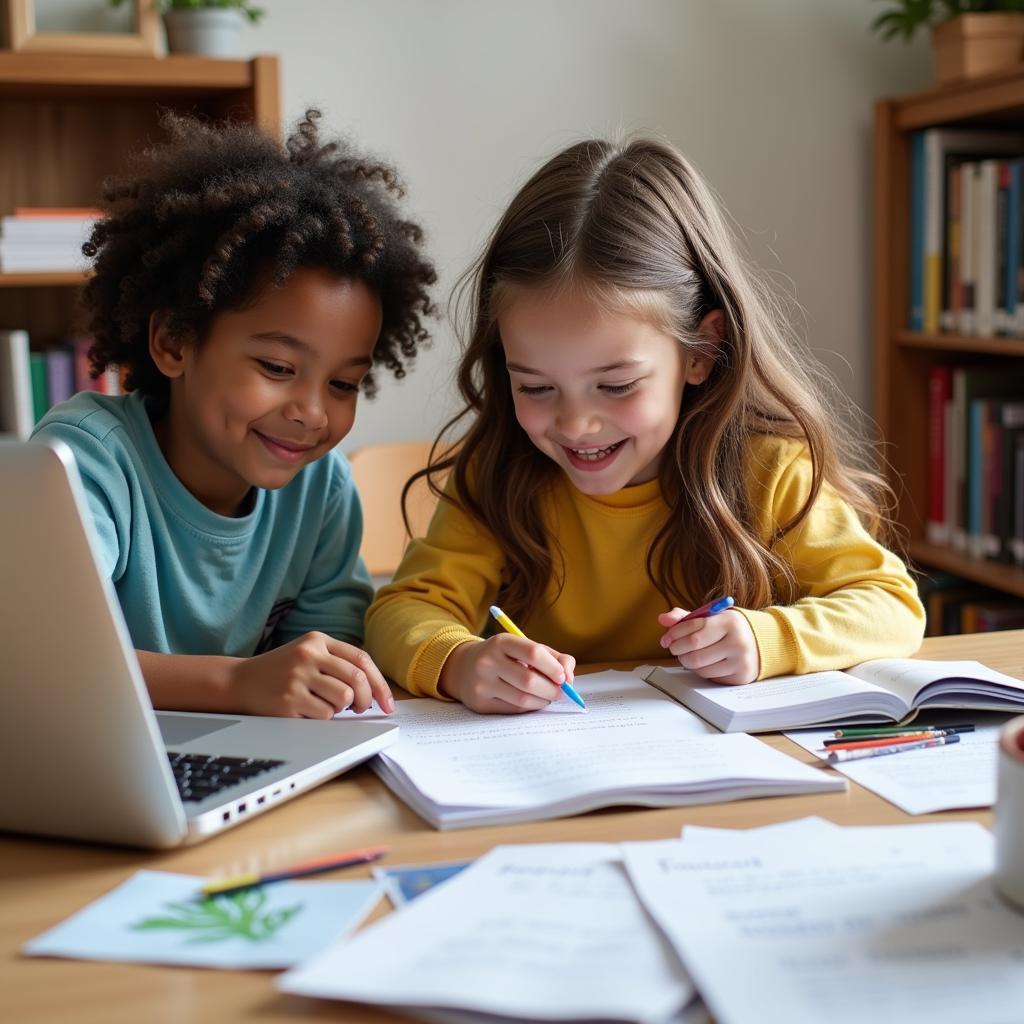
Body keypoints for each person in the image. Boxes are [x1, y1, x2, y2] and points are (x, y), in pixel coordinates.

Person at [365, 136, 924, 714]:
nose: (576, 424)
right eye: (534, 386)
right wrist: (457, 661)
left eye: (616, 385)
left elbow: (890, 605)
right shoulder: (500, 473)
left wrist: (767, 640)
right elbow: (399, 611)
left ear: (702, 351)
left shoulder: (770, 470)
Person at [33, 109, 436, 719]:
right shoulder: (86, 462)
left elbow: (334, 648)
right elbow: (49, 657)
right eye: (276, 368)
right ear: (174, 342)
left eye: (344, 383)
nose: (310, 413)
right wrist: (237, 685)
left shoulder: (320, 489)